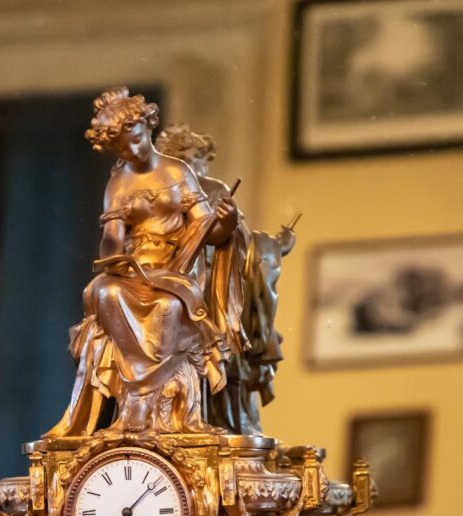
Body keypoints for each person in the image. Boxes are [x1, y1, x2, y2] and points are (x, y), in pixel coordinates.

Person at [45, 89, 240, 437]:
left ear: (147, 127)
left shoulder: (177, 171)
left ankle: (146, 400)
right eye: (122, 148)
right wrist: (112, 248)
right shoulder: (118, 183)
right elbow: (113, 241)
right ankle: (135, 399)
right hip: (135, 267)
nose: (132, 151)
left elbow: (209, 229)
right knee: (104, 293)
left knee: (166, 306)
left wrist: (227, 220)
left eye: (136, 140)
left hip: (177, 268)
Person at [155, 124, 296, 435]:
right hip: (166, 288)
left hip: (214, 286)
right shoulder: (155, 194)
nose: (197, 166)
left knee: (226, 344)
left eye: (200, 159)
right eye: (187, 158)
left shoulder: (215, 190)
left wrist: (272, 247)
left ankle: (229, 425)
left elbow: (244, 245)